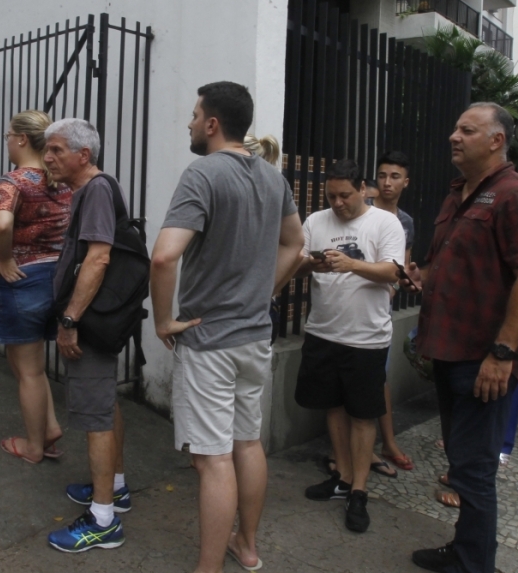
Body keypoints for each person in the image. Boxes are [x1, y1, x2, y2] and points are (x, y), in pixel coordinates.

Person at [152, 82, 303, 570]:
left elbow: (163, 257)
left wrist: (163, 320)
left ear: (213, 124)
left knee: (214, 459)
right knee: (247, 443)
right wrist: (266, 293)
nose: (191, 123)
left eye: (195, 115)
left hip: (209, 338)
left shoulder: (203, 173)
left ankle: (208, 568)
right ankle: (248, 546)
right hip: (254, 335)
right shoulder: (272, 177)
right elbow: (295, 244)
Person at [403, 102, 518, 573]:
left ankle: (475, 565)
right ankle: (465, 551)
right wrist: (419, 275)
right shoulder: (458, 194)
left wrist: (502, 354)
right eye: (454, 127)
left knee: (475, 468)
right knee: (461, 462)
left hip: (483, 358)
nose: (453, 136)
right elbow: (451, 266)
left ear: (496, 140)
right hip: (448, 351)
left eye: (467, 130)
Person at [292, 159, 405, 533]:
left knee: (362, 414)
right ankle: (341, 477)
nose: (338, 203)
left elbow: (393, 272)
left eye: (345, 195)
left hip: (366, 337)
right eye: (331, 196)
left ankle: (359, 490)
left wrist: (351, 265)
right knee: (333, 407)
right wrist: (314, 265)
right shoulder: (316, 221)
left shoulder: (384, 223)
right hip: (324, 331)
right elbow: (297, 264)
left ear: (362, 189)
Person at [43, 118, 130, 553]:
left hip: (90, 323)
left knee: (95, 416)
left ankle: (103, 519)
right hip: (98, 320)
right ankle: (114, 486)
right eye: (46, 149)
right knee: (105, 404)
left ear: (83, 154)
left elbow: (97, 258)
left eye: (57, 150)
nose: (48, 157)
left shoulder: (95, 189)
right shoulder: (95, 189)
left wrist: (70, 320)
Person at [0, 110, 71, 463]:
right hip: (52, 279)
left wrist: (5, 259)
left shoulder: (15, 181)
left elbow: (2, 223)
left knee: (30, 372)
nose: (7, 140)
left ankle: (34, 447)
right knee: (29, 365)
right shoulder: (60, 180)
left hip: (21, 282)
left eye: (9, 134)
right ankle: (48, 427)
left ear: (21, 139)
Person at [370, 150, 417, 473]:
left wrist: (395, 286)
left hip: (381, 308)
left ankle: (385, 442)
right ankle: (356, 451)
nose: (387, 183)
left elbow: (402, 267)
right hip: (350, 305)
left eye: (395, 176)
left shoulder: (405, 222)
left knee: (378, 377)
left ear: (406, 182)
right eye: (383, 175)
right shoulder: (362, 208)